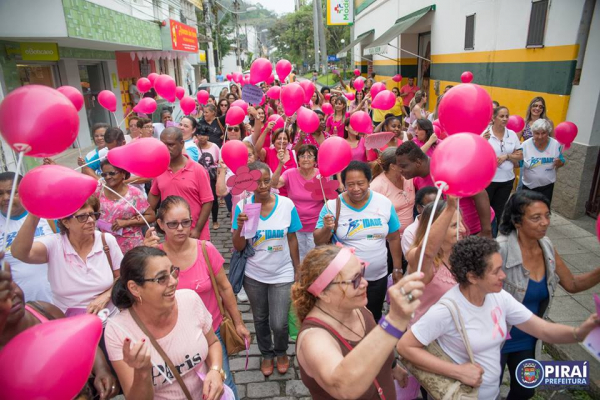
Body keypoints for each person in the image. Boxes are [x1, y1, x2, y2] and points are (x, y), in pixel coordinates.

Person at [398, 236, 600, 400]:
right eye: (496, 271)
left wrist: (580, 332)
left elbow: (543, 329)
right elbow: (405, 347)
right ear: (472, 277)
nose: (504, 275)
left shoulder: (499, 298)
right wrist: (457, 371)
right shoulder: (447, 309)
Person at [143, 196, 250, 398]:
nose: (180, 228)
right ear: (160, 225)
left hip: (212, 332)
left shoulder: (205, 249)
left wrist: (238, 322)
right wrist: (142, 253)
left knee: (222, 381)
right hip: (171, 337)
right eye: (173, 224)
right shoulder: (153, 257)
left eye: (185, 222)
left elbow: (225, 288)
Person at [498, 190, 600, 399]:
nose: (545, 222)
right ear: (517, 222)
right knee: (486, 391)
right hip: (497, 340)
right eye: (536, 217)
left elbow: (571, 284)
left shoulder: (547, 247)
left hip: (529, 339)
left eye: (547, 215)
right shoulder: (500, 250)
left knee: (525, 391)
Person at [292, 245, 425, 399]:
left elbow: (377, 346)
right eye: (354, 280)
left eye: (362, 273)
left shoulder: (359, 309)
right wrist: (394, 321)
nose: (365, 283)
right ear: (323, 293)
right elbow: (343, 387)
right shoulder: (313, 338)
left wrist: (393, 367)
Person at [104, 247, 225, 400]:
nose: (174, 282)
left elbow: (213, 342)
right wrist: (141, 372)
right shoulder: (119, 331)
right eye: (161, 278)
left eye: (173, 272)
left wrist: (215, 370)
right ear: (134, 288)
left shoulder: (190, 300)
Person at [0, 273, 120, 399]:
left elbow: (81, 341)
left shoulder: (44, 310)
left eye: (10, 286)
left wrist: (102, 370)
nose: (11, 296)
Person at [232, 161, 301, 376]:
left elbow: (292, 238)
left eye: (266, 180)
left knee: (279, 322)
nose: (262, 186)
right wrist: (240, 226)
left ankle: (281, 351)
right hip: (254, 275)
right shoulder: (242, 207)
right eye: (257, 182)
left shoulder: (286, 205)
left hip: (282, 272)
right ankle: (266, 354)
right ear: (248, 183)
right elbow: (238, 246)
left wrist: (297, 269)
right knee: (260, 318)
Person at [314, 161, 403, 321]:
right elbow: (318, 241)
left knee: (372, 317)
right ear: (344, 185)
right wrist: (327, 228)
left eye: (360, 183)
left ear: (369, 182)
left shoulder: (383, 203)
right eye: (350, 184)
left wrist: (397, 268)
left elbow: (394, 237)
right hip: (345, 280)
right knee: (347, 319)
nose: (355, 189)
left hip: (377, 277)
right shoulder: (333, 206)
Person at [11, 196, 123, 316]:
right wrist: (36, 213)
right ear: (66, 222)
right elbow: (20, 253)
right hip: (69, 325)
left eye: (92, 214)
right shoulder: (54, 245)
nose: (90, 220)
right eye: (82, 217)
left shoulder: (106, 241)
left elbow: (123, 277)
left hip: (109, 321)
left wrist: (106, 296)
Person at [395, 141, 493, 237]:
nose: (400, 170)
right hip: (453, 235)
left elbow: (480, 193)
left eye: (403, 166)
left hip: (477, 231)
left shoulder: (450, 169)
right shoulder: (416, 179)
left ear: (418, 162)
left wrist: (486, 230)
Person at [406, 197, 467, 324]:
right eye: (455, 225)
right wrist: (450, 208)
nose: (463, 229)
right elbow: (427, 253)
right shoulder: (417, 257)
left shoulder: (461, 254)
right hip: (427, 339)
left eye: (461, 223)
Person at [148, 127, 214, 241]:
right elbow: (153, 196)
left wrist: (197, 229)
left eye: (171, 145)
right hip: (171, 235)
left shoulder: (197, 170)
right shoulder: (159, 169)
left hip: (194, 234)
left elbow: (207, 201)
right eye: (163, 145)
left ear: (181, 143)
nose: (166, 149)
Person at [0, 172, 53, 303]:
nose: (6, 198)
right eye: (0, 193)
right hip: (21, 310)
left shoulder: (48, 215)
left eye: (12, 192)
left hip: (58, 302)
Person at [270, 144, 324, 260]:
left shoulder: (322, 175)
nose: (305, 159)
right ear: (298, 159)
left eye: (309, 156)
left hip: (315, 226)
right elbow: (274, 184)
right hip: (295, 224)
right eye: (302, 156)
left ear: (315, 160)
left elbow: (328, 199)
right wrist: (280, 164)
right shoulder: (290, 173)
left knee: (314, 258)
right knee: (297, 257)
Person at [95, 160, 154, 253]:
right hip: (106, 245)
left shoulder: (134, 193)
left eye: (112, 173)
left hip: (132, 244)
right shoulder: (98, 191)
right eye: (104, 175)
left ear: (123, 173)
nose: (108, 177)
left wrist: (127, 222)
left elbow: (151, 216)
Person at [481, 106, 522, 229]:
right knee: (484, 211)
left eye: (507, 116)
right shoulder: (485, 133)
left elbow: (520, 154)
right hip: (488, 180)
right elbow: (475, 155)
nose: (505, 119)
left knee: (498, 211)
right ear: (494, 118)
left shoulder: (512, 135)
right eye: (501, 116)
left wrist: (507, 156)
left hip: (506, 180)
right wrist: (482, 141)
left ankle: (493, 236)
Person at [371, 148, 415, 242]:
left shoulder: (408, 177)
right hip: (390, 241)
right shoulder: (376, 186)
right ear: (393, 166)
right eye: (404, 163)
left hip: (411, 237)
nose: (408, 165)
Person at [520, 119, 564, 204]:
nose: (540, 136)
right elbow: (519, 163)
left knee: (544, 210)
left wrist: (560, 163)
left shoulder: (555, 144)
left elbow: (562, 161)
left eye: (543, 133)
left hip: (547, 187)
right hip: (529, 187)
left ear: (548, 132)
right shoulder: (525, 145)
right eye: (537, 133)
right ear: (532, 133)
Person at [257, 129, 298, 196]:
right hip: (274, 195)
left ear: (288, 141)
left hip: (293, 195)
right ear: (274, 140)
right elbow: (257, 149)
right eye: (279, 138)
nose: (282, 141)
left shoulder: (294, 154)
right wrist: (266, 130)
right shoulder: (268, 152)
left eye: (285, 138)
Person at [401, 186, 438, 256]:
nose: (437, 210)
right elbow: (414, 261)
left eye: (440, 205)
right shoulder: (410, 233)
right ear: (418, 208)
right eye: (431, 207)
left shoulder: (448, 224)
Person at [196, 130, 221, 230]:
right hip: (198, 176)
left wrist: (219, 177)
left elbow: (219, 161)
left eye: (204, 135)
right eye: (200, 134)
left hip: (211, 177)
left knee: (213, 198)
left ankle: (215, 220)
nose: (202, 137)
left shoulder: (214, 146)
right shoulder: (194, 146)